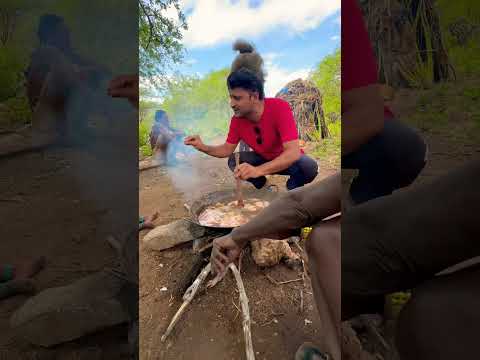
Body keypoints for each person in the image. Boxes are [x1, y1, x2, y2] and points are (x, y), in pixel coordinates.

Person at [184, 41, 318, 191]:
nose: (231, 104)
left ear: (254, 96)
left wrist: (258, 170)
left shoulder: (279, 107)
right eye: (231, 97)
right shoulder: (237, 120)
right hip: (263, 158)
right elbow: (226, 150)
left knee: (309, 167)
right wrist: (203, 147)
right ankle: (266, 187)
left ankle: (293, 188)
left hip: (286, 160)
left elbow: (293, 153)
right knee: (234, 161)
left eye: (237, 98)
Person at [341, 0, 427, 205]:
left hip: (350, 128)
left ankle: (360, 206)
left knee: (403, 147)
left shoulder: (344, 10)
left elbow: (367, 113)